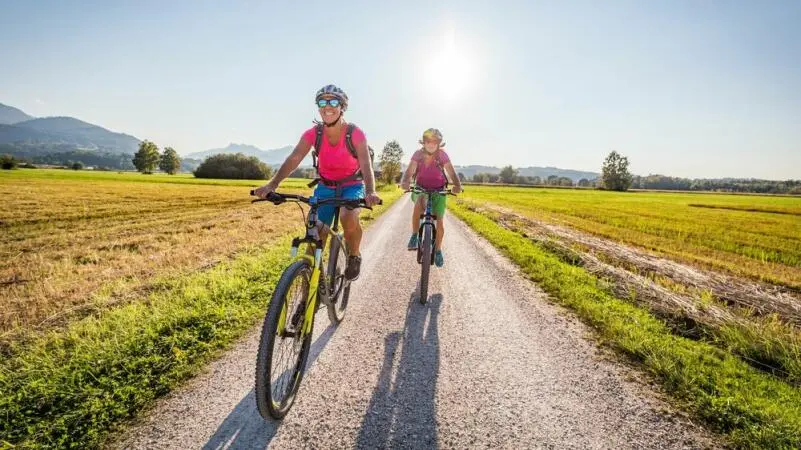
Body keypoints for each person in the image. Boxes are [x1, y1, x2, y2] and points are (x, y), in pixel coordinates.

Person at [254, 84, 381, 280]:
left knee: (348, 218)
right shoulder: (314, 133)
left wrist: (370, 191)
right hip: (325, 186)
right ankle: (309, 289)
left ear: (342, 106)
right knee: (316, 231)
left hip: (352, 185)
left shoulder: (355, 133)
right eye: (322, 101)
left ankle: (354, 256)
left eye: (333, 101)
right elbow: (294, 158)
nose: (327, 106)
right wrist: (272, 185)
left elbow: (365, 163)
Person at [400, 128, 462, 267]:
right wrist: (405, 182)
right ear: (424, 142)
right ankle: (415, 235)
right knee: (419, 204)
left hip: (439, 190)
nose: (431, 144)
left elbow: (451, 172)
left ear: (439, 143)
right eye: (428, 141)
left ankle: (438, 250)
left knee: (439, 220)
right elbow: (409, 171)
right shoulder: (418, 154)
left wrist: (457, 185)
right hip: (420, 187)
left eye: (434, 142)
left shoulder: (442, 155)